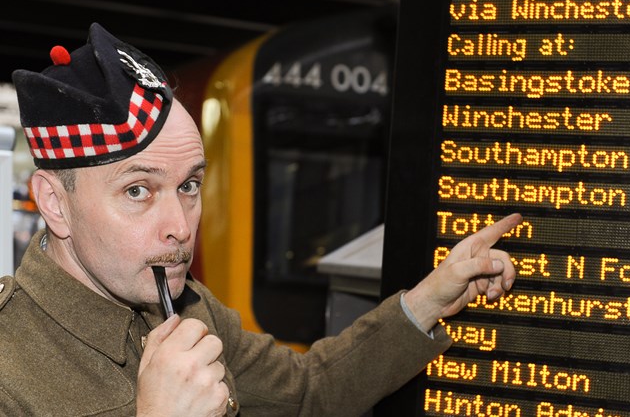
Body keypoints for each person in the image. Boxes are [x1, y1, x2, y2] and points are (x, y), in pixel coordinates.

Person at [0, 23, 521, 416]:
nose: (180, 226)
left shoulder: (194, 311)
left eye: (189, 186)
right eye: (138, 190)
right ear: (54, 202)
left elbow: (311, 390)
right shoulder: (9, 364)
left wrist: (430, 297)